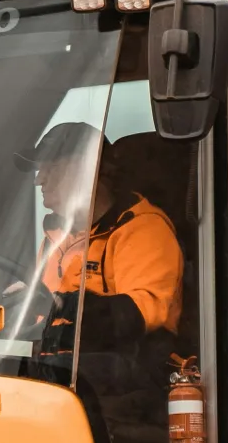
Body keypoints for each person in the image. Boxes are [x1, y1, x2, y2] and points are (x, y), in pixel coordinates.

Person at [14, 121, 183, 356]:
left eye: (50, 168)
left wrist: (66, 306)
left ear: (87, 169)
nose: (39, 180)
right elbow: (44, 313)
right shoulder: (55, 238)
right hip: (52, 372)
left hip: (116, 381)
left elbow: (143, 314)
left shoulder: (143, 229)